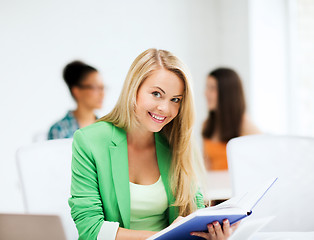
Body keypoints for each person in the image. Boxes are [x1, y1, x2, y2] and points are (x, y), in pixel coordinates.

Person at [68, 49, 239, 240]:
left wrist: (212, 234)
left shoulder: (176, 141)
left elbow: (193, 213)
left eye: (175, 99)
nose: (165, 108)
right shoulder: (90, 140)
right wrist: (167, 236)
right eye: (156, 94)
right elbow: (91, 230)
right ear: (134, 89)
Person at [203, 68, 260, 171]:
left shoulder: (245, 125)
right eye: (207, 88)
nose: (206, 93)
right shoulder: (207, 124)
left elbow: (262, 160)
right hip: (215, 185)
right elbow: (207, 166)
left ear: (226, 92)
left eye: (212, 88)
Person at [48, 61, 105, 140]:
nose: (102, 94)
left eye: (102, 88)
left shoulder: (107, 129)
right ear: (76, 91)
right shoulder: (59, 130)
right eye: (95, 87)